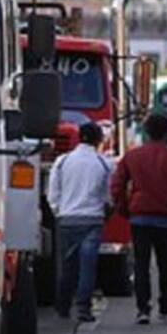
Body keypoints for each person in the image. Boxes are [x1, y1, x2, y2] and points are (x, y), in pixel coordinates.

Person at [111, 112, 167, 325]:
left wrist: (124, 209)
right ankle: (165, 305)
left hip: (139, 217)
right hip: (165, 219)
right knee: (166, 264)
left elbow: (117, 186)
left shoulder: (132, 157)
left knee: (141, 265)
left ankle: (143, 308)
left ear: (147, 131)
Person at [47, 122, 113, 322]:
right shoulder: (103, 164)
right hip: (93, 220)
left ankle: (63, 305)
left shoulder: (62, 161)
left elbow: (53, 193)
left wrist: (59, 211)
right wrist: (105, 211)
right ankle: (83, 308)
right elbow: (108, 195)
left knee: (68, 265)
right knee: (88, 265)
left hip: (67, 220)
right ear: (98, 140)